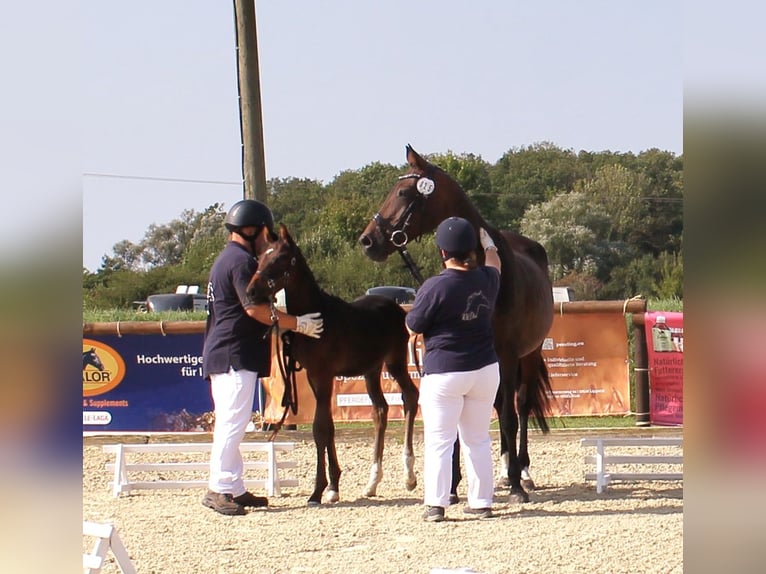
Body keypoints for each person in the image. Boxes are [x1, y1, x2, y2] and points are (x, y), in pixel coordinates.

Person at [201, 199, 324, 516]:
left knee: (235, 421)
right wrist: (297, 324)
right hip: (233, 353)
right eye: (264, 233)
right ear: (250, 230)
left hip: (227, 350)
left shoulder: (226, 259)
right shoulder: (240, 263)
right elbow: (254, 308)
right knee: (232, 423)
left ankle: (235, 487)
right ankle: (219, 488)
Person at [405, 216, 501, 522]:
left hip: (445, 371)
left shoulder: (434, 286)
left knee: (440, 440)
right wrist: (488, 242)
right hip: (485, 369)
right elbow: (495, 261)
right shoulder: (487, 279)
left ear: (442, 252)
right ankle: (482, 501)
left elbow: (413, 324)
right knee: (478, 439)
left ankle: (436, 503)